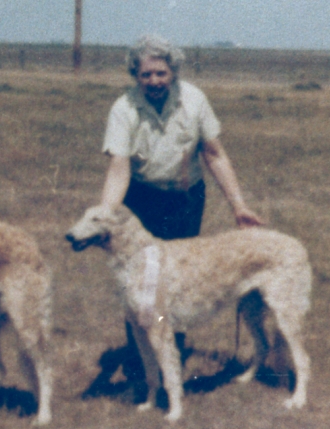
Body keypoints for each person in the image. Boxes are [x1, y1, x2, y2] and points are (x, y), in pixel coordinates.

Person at [85, 35, 263, 404]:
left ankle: (172, 366)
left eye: (160, 73)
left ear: (173, 72)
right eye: (145, 74)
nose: (153, 81)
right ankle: (142, 371)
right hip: (142, 197)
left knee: (174, 284)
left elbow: (214, 155)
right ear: (135, 74)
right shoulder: (123, 109)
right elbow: (118, 169)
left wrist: (239, 206)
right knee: (139, 288)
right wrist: (106, 219)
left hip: (185, 198)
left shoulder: (195, 100)